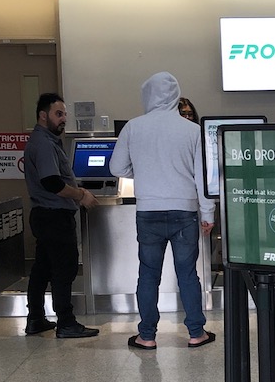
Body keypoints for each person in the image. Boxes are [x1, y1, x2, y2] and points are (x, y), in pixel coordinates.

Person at [110, 72, 216, 350]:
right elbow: (202, 178)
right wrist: (208, 214)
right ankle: (196, 332)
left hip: (148, 213)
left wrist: (143, 172)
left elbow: (116, 168)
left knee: (148, 275)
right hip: (184, 213)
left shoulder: (133, 127)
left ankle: (146, 336)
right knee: (187, 274)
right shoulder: (193, 131)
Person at [24, 92, 100, 338]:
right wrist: (80, 195)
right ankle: (66, 322)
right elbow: (52, 183)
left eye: (64, 114)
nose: (63, 119)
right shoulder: (44, 144)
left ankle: (35, 318)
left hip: (44, 215)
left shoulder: (44, 141)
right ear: (43, 115)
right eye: (58, 114)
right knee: (63, 269)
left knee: (42, 269)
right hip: (54, 216)